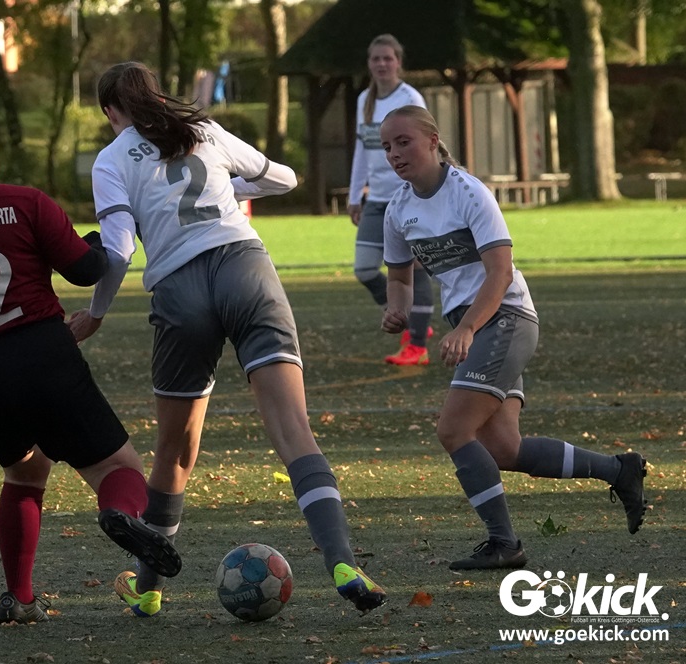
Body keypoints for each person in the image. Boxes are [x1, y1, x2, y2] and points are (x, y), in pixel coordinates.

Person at [67, 61, 386, 616]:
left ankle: (149, 590)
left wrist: (95, 314)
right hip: (245, 267)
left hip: (178, 287)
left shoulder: (111, 159)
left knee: (176, 450)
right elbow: (284, 178)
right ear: (156, 94)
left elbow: (116, 251)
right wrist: (228, 186)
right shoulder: (202, 129)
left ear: (110, 111)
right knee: (294, 430)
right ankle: (342, 562)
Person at [0, 107, 181, 624]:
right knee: (119, 469)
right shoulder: (25, 202)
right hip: (41, 355)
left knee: (24, 471)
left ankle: (19, 598)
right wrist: (93, 242)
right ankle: (119, 513)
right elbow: (86, 271)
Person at [378, 105, 648, 569]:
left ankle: (504, 543)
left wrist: (467, 328)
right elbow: (400, 275)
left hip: (505, 317)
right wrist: (397, 307)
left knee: (454, 430)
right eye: (387, 147)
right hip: (479, 323)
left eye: (403, 142)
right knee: (503, 447)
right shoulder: (398, 209)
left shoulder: (468, 192)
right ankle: (618, 469)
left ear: (432, 141)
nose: (394, 154)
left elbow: (500, 273)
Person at [347, 34, 435, 366]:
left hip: (408, 195)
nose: (382, 64)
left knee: (415, 267)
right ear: (369, 64)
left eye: (388, 58)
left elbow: (427, 145)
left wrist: (425, 190)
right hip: (376, 200)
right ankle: (410, 318)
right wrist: (355, 194)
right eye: (376, 59)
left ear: (399, 61)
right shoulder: (364, 100)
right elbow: (362, 149)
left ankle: (417, 345)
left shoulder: (410, 97)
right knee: (364, 268)